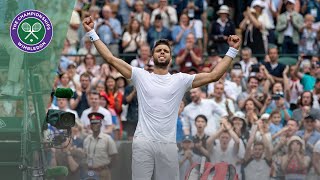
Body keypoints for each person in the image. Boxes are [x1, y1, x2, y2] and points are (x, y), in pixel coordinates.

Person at [82, 16, 241, 180]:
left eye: (166, 50)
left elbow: (214, 75)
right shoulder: (140, 75)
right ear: (152, 57)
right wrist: (92, 32)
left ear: (171, 58)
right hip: (143, 143)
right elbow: (110, 58)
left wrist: (233, 50)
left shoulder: (180, 79)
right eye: (159, 50)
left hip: (168, 146)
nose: (162, 52)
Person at [83, 112, 118, 180]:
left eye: (96, 123)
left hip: (103, 172)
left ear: (101, 124)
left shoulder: (107, 139)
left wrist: (105, 168)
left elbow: (114, 157)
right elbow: (84, 156)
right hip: (90, 172)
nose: (94, 125)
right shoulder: (87, 140)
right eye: (92, 123)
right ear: (90, 125)